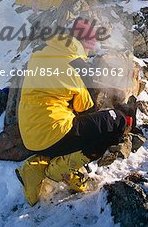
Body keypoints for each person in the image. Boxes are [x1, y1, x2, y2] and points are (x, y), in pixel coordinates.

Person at [16, 18, 131, 206]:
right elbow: (86, 109)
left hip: (29, 134)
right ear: (86, 43)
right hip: (52, 132)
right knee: (114, 121)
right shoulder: (76, 64)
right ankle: (60, 169)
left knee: (71, 123)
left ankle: (36, 167)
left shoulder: (43, 51)